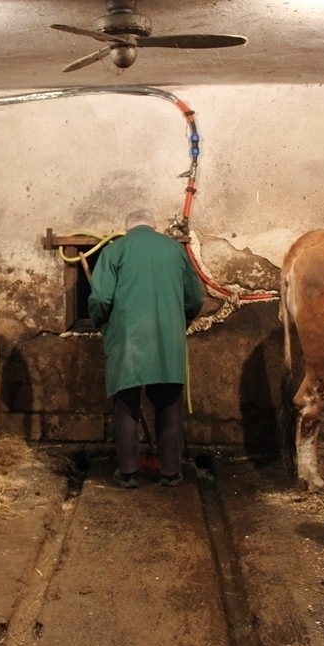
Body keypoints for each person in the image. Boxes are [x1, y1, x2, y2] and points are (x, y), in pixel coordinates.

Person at [88, 208, 204, 488]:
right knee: (169, 405)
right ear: (153, 226)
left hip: (127, 338)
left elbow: (101, 297)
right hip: (167, 338)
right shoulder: (175, 250)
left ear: (128, 227)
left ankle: (128, 472)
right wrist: (180, 319)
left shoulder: (115, 251)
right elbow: (194, 299)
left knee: (126, 405)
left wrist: (98, 319)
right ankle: (171, 472)